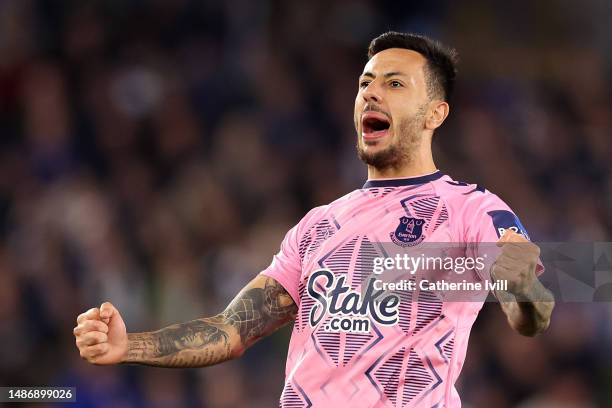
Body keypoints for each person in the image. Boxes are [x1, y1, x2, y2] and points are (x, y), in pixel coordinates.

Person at [73, 32, 554, 407]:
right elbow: (232, 329)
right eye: (365, 83)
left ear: (435, 113)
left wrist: (524, 293)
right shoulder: (319, 225)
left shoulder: (471, 209)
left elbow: (529, 311)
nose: (371, 94)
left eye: (394, 83)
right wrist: (128, 346)